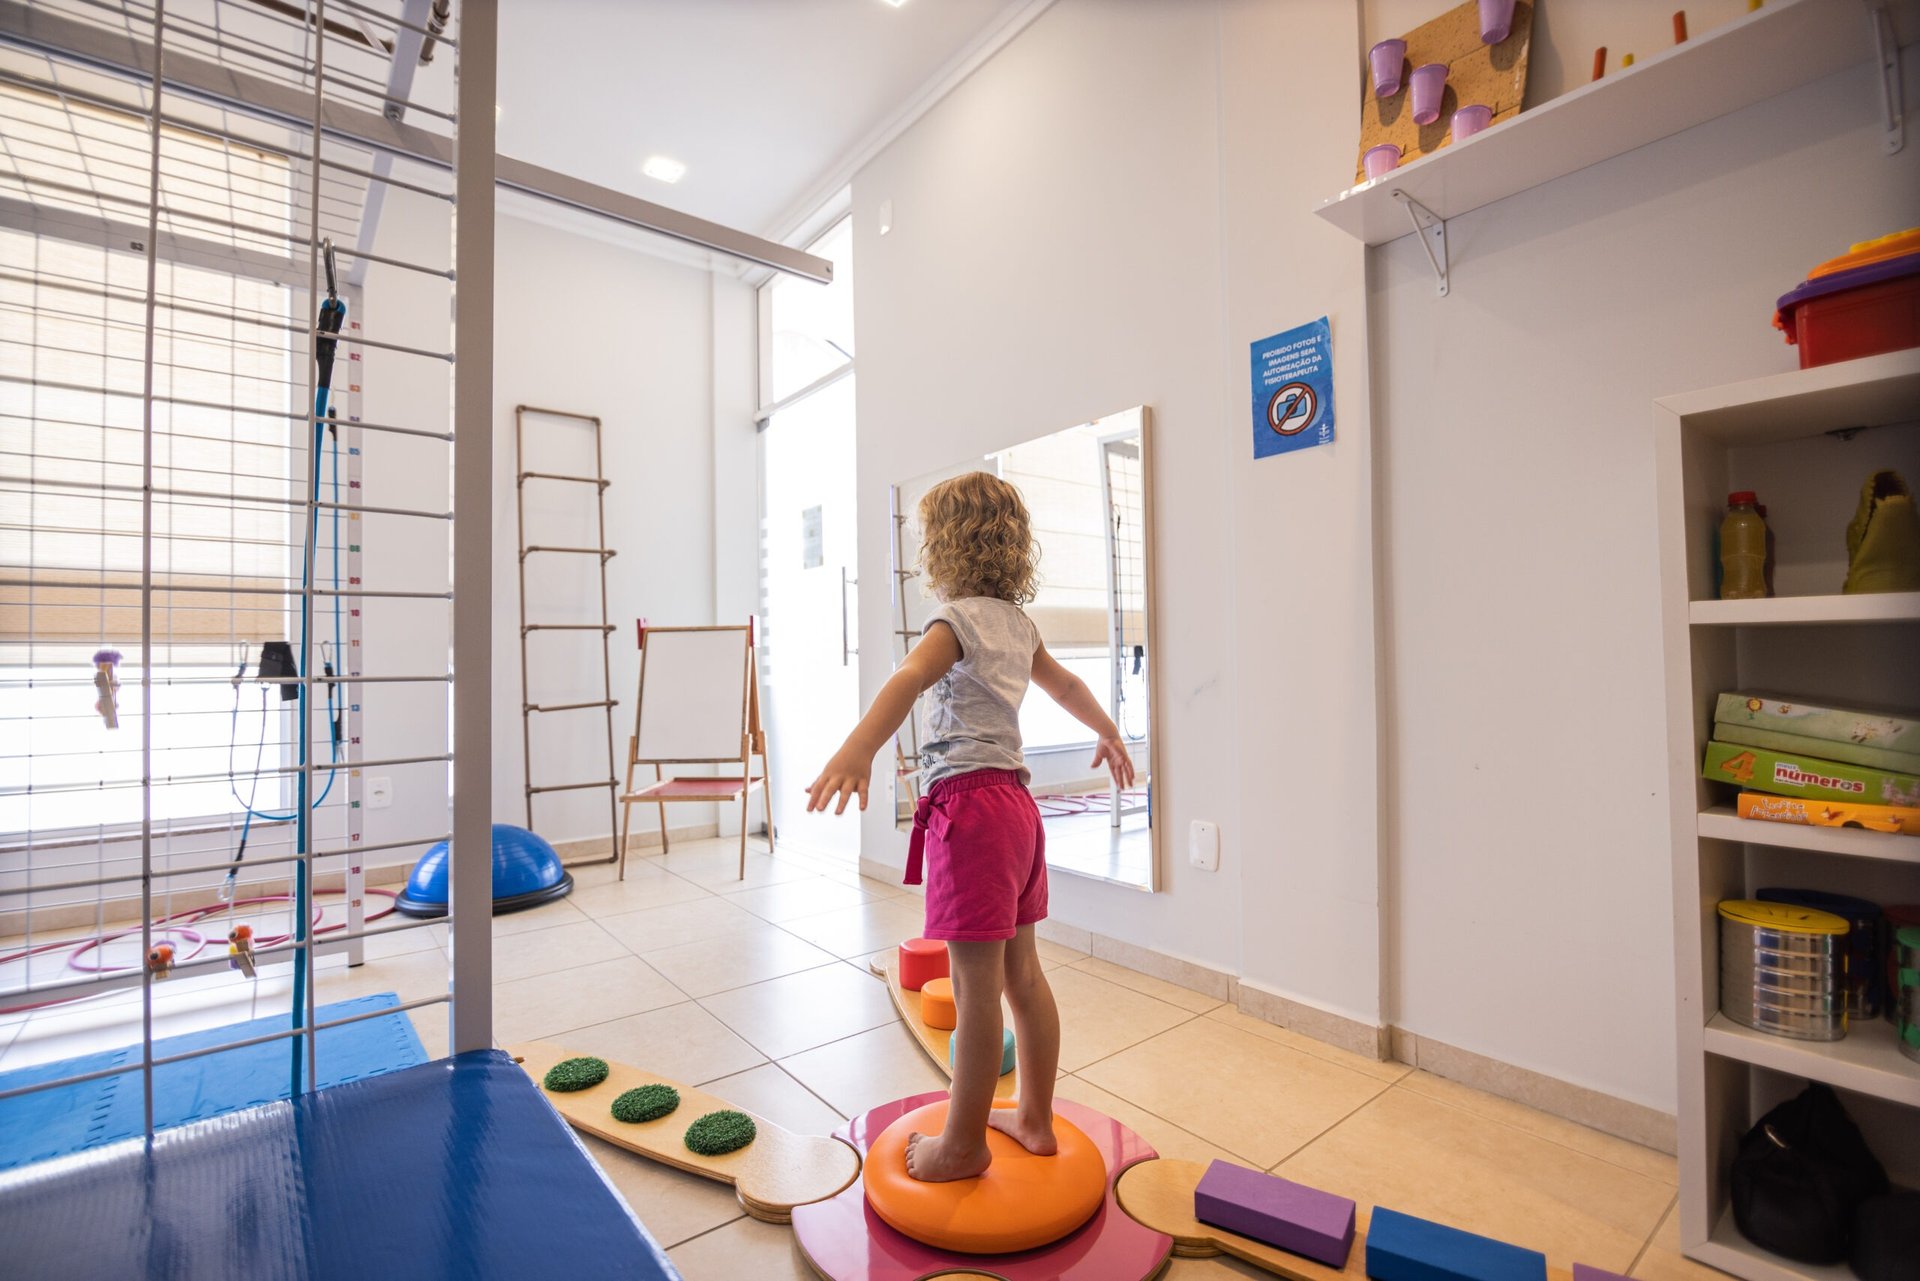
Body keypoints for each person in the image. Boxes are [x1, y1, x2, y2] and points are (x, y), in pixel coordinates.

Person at [805, 470, 1136, 1183]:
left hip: (972, 812)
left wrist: (857, 748)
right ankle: (1037, 1118)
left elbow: (906, 680)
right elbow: (1068, 686)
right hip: (1018, 807)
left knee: (975, 984)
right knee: (1024, 975)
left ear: (944, 546)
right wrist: (1109, 731)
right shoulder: (1018, 623)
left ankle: (963, 1144)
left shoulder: (953, 620)